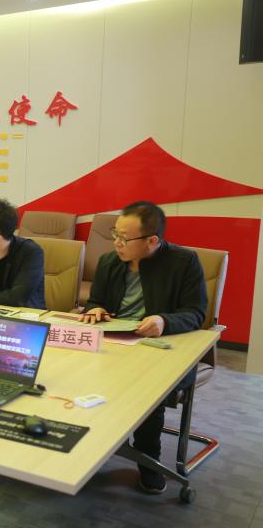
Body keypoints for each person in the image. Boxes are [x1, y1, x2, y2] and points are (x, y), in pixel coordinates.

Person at [80, 201, 206, 494]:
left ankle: (149, 461)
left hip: (160, 349)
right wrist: (95, 308)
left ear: (152, 240)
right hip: (115, 346)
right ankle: (90, 447)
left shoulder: (184, 262)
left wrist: (164, 320)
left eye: (124, 238)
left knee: (147, 393)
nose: (116, 243)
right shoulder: (110, 261)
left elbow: (196, 313)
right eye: (115, 234)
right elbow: (95, 300)